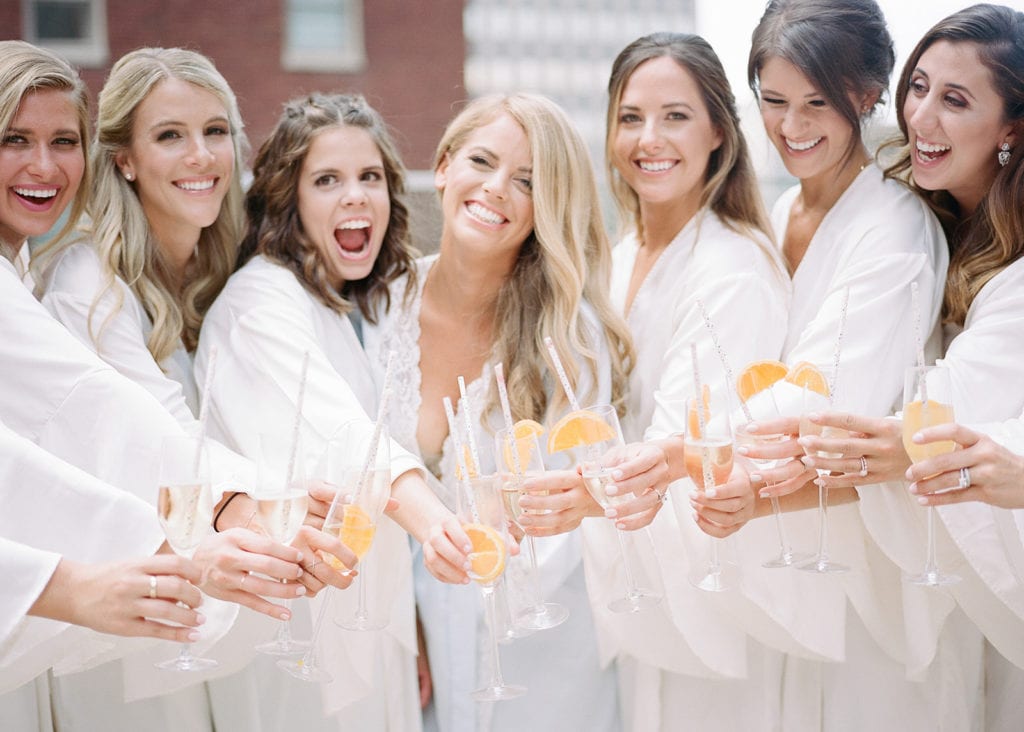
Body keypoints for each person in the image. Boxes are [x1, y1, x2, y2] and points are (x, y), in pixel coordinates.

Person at [742, 1, 982, 730]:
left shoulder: (895, 228)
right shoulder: (783, 212)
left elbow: (823, 409)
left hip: (876, 570)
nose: (791, 127)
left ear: (871, 92)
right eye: (774, 101)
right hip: (794, 546)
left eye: (817, 102)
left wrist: (681, 451)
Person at [197, 92, 469, 731]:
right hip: (297, 633)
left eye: (369, 177)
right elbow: (341, 434)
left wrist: (416, 623)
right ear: (287, 201)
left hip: (369, 618)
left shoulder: (350, 307)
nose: (355, 197)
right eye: (327, 180)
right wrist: (436, 524)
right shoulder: (259, 305)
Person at [363, 93, 632, 732]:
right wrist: (410, 612)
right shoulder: (377, 310)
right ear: (445, 164)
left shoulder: (570, 337)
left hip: (539, 655)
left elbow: (586, 497)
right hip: (414, 645)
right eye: (482, 162)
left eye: (527, 182)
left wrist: (502, 552)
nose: (496, 190)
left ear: (548, 208)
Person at [558, 32, 796, 731]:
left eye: (675, 116)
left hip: (706, 587)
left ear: (719, 131)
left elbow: (682, 447)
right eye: (630, 117)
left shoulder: (734, 268)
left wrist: (559, 499)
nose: (648, 138)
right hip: (631, 576)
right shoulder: (618, 256)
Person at [801, 5, 1024, 726]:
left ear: (1012, 131)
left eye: (955, 100)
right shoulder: (918, 219)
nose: (920, 116)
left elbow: (935, 427)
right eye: (919, 86)